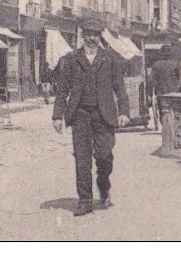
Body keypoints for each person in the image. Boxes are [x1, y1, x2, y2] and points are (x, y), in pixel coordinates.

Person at [52, 30, 130, 217]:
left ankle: (103, 184)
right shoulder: (71, 59)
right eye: (88, 34)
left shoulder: (110, 59)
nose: (92, 38)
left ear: (99, 38)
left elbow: (120, 88)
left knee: (104, 155)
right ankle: (85, 200)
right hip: (80, 114)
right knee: (82, 158)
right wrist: (57, 116)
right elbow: (62, 90)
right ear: (83, 36)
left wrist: (124, 112)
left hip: (104, 115)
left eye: (95, 35)